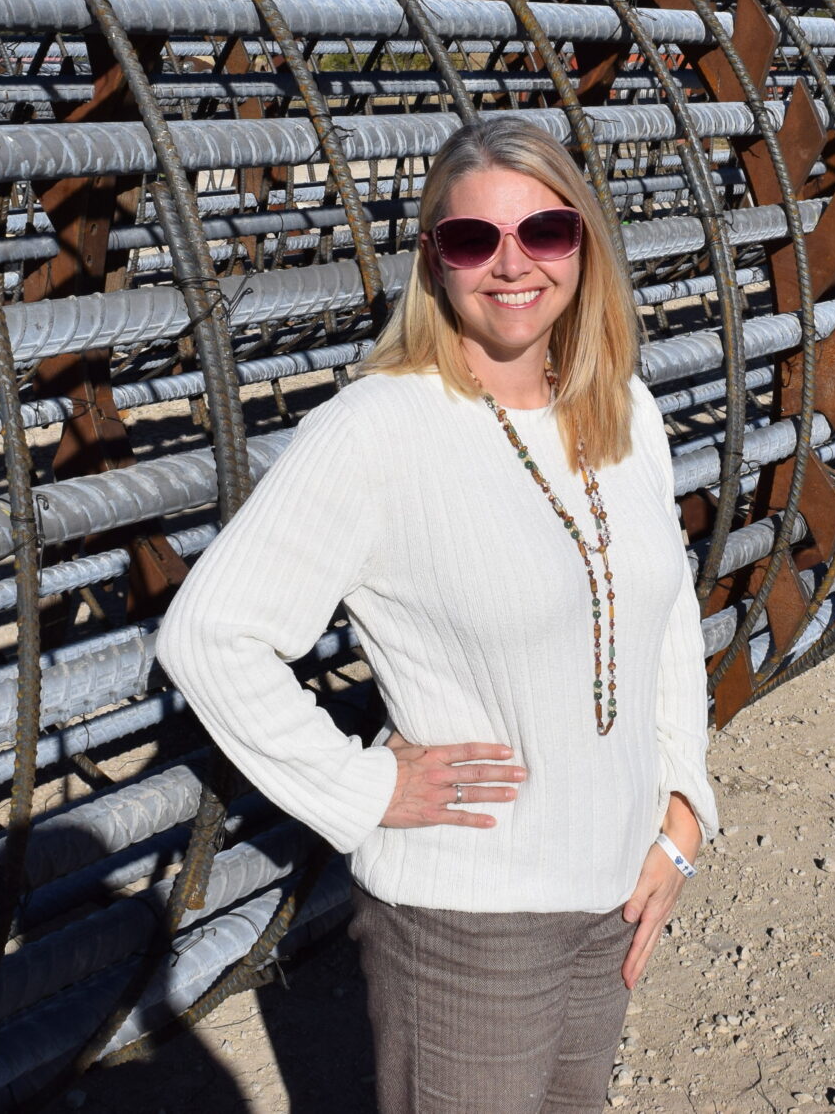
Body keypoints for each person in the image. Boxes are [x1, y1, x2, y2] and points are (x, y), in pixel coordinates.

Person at [156, 116, 717, 1114]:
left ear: (583, 245)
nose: (511, 265)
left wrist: (680, 813)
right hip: (468, 916)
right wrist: (361, 787)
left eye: (543, 232)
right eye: (473, 240)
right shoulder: (376, 431)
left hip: (614, 889)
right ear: (434, 261)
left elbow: (664, 619)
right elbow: (210, 634)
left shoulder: (623, 411)